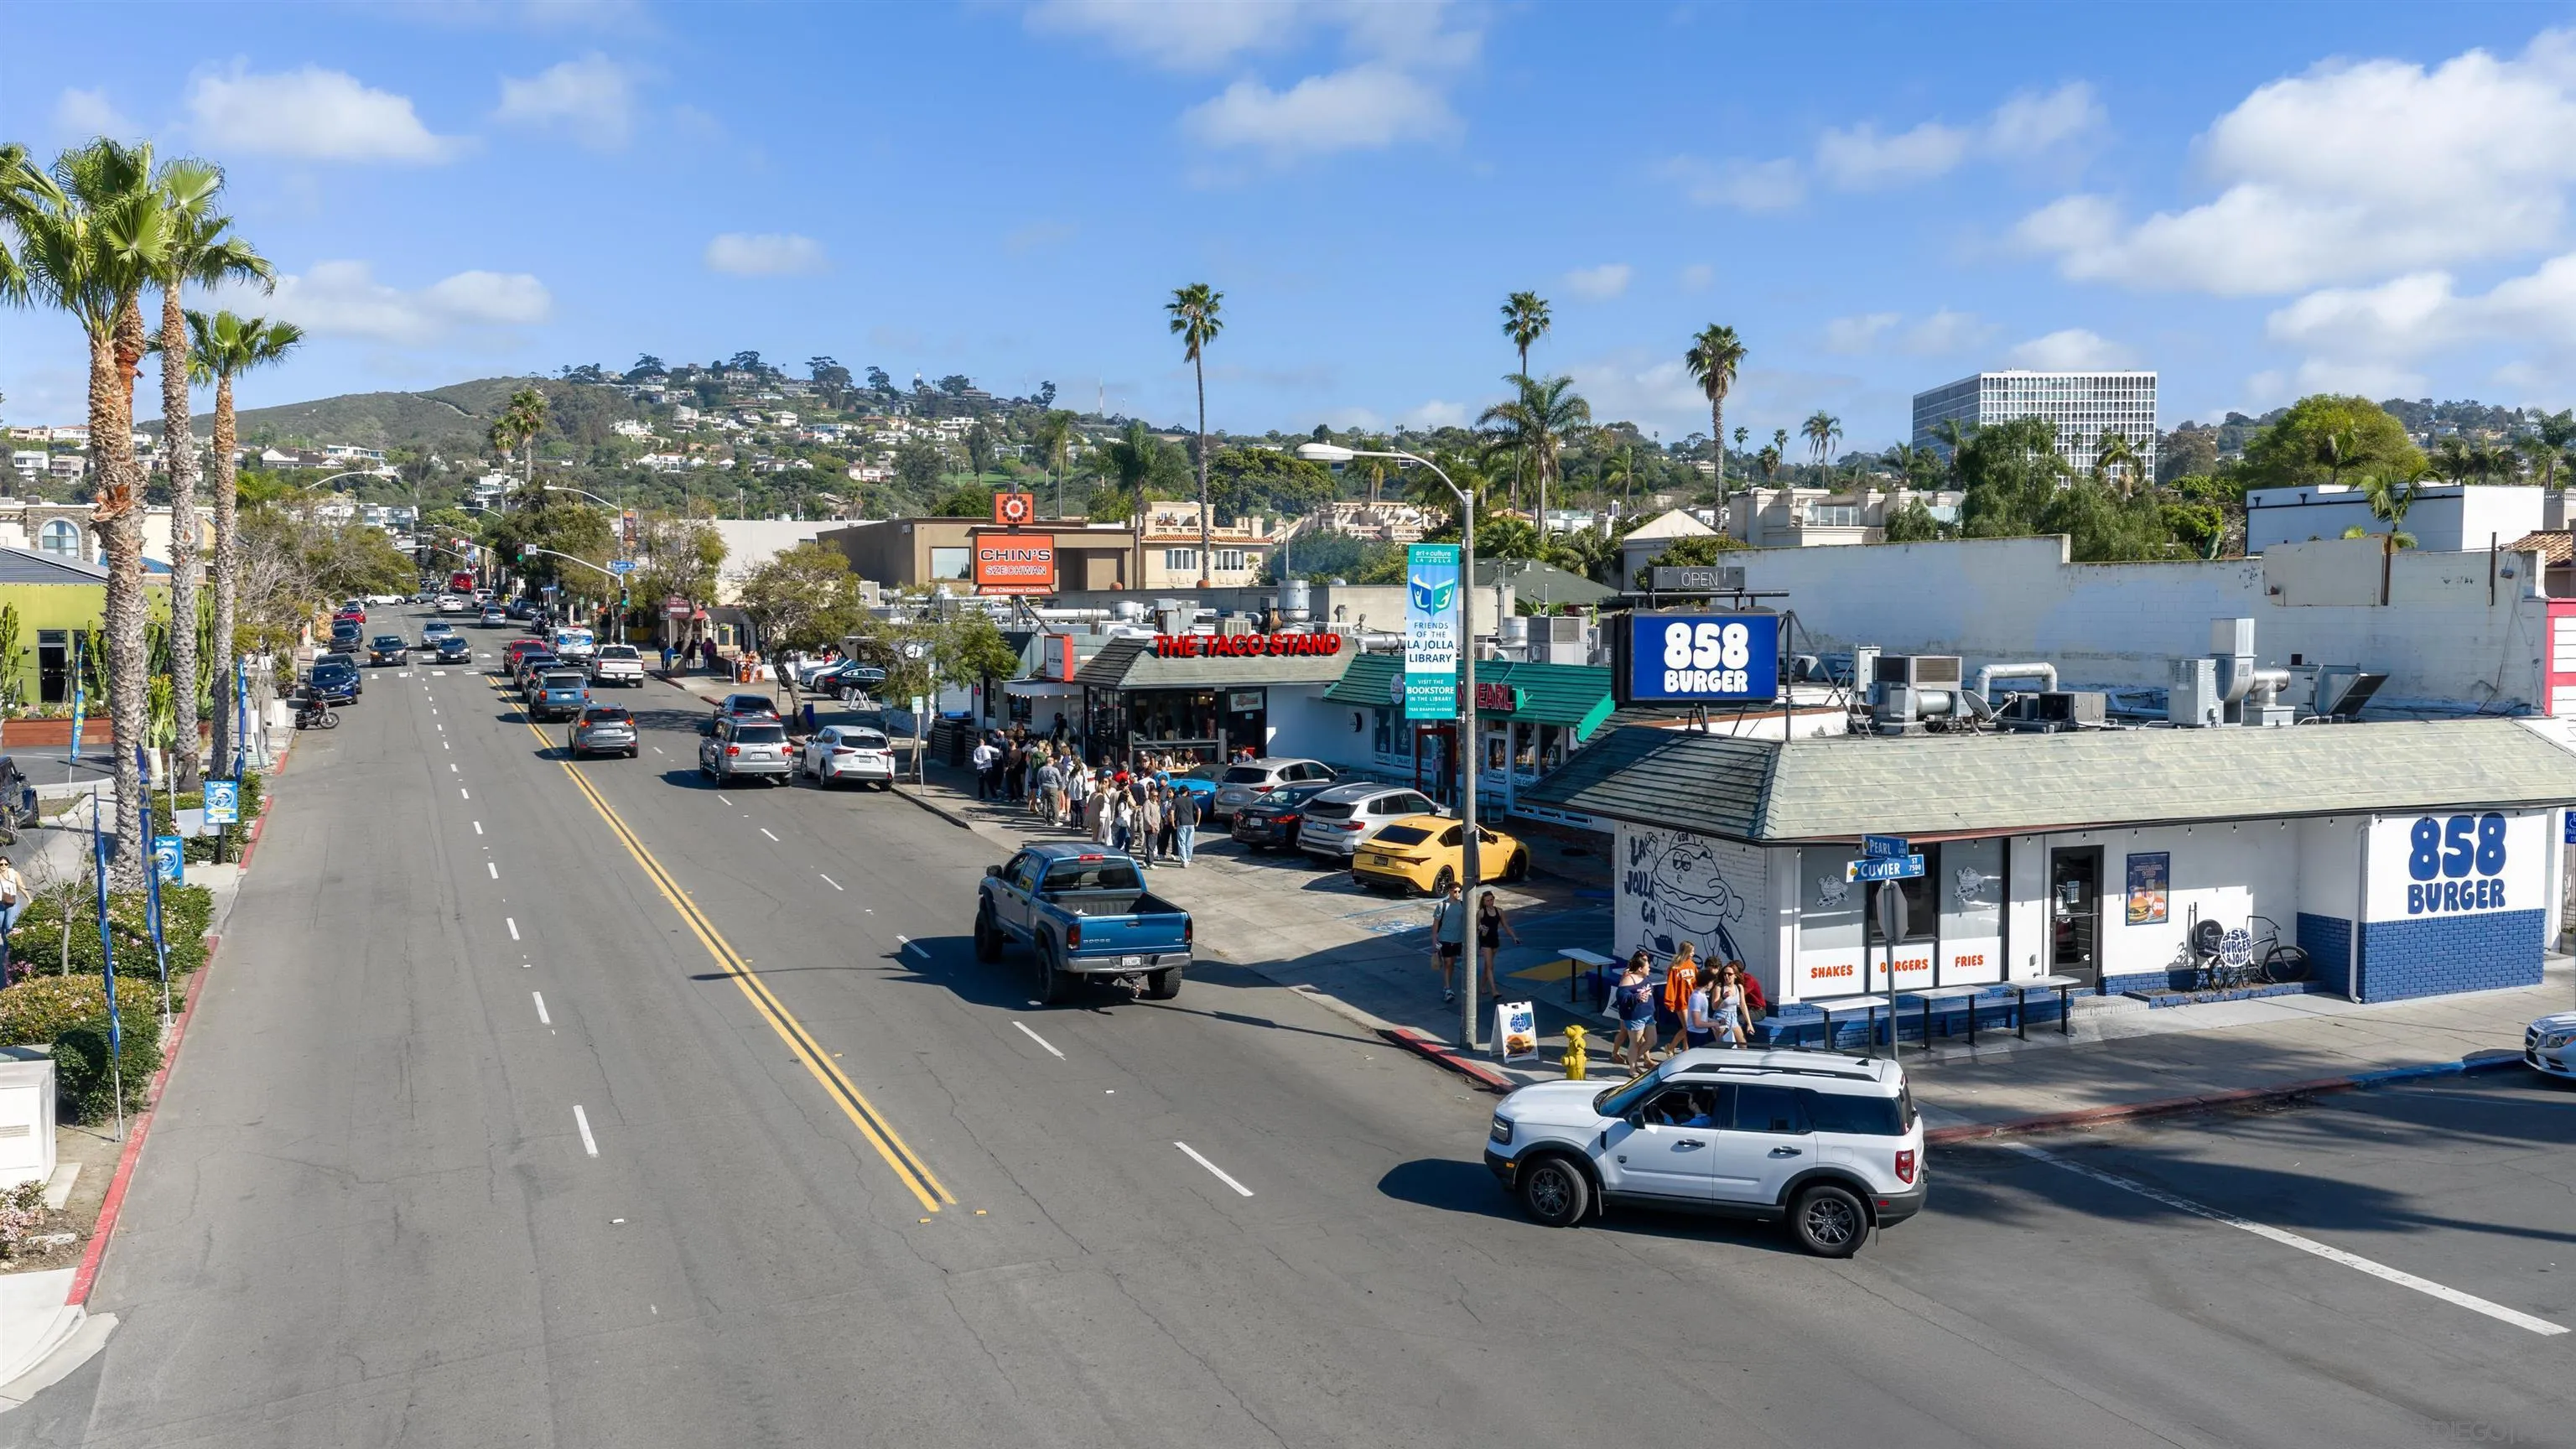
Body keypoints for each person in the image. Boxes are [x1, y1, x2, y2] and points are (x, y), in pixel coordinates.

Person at [1609, 950, 1656, 1072]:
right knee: (1629, 1038)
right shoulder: (1628, 976)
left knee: (1650, 1040)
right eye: (1647, 963)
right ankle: (1630, 1064)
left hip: (1647, 1013)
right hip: (1634, 1014)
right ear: (1639, 967)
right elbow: (1622, 995)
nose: (1649, 966)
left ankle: (1638, 1059)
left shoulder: (1644, 975)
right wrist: (1637, 998)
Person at [1656, 943, 1700, 1062]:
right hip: (1681, 1001)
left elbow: (1697, 982)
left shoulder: (1692, 965)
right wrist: (1670, 1002)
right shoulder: (1675, 968)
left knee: (1688, 1028)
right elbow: (1671, 986)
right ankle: (1670, 1047)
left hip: (1692, 1000)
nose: (1693, 954)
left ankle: (1686, 1050)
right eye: (1691, 951)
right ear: (1686, 952)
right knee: (1688, 1027)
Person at [1474, 888, 1519, 1001]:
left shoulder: (1499, 911)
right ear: (1483, 902)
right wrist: (1480, 928)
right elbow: (1474, 927)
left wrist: (1514, 937)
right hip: (1485, 941)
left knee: (1487, 966)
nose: (1490, 902)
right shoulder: (1481, 913)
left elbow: (1505, 925)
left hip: (1495, 940)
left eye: (1491, 900)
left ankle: (1483, 986)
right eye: (1487, 901)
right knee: (1490, 966)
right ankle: (1494, 990)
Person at [1430, 880, 1467, 1005]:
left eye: (1459, 891)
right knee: (1447, 962)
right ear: (1450, 891)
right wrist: (1435, 941)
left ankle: (1448, 985)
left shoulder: (1462, 905)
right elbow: (1435, 925)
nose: (1457, 893)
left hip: (1457, 939)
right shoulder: (1442, 906)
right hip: (1445, 938)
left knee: (1452, 963)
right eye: (1455, 891)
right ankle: (1447, 988)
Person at [1709, 960, 1754, 1047]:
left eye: (1729, 974)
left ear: (1735, 976)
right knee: (1724, 1047)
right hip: (1721, 1018)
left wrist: (1749, 1024)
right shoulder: (1719, 987)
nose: (1727, 976)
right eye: (1725, 974)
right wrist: (1723, 997)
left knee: (1743, 1045)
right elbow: (1714, 1007)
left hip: (1733, 1018)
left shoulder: (1739, 987)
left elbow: (1743, 1005)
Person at [0, 854, 22, 984]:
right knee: (1, 927)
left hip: (12, 903)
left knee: (9, 926)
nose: (3, 867)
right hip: (0, 904)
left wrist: (28, 897)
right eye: (1, 864)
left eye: (5, 864)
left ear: (9, 865)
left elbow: (21, 885)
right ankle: (5, 943)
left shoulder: (14, 874)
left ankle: (8, 950)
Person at [1171, 784, 1199, 867]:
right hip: (1191, 823)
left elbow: (1172, 812)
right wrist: (1197, 822)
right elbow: (1199, 810)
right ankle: (1188, 858)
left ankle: (1184, 861)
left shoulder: (1176, 800)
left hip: (1181, 823)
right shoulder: (1191, 800)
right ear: (1187, 792)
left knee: (1181, 842)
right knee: (1189, 842)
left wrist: (1173, 823)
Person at [969, 735, 1000, 801]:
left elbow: (975, 760)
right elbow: (997, 750)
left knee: (981, 784)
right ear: (982, 742)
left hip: (980, 768)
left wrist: (981, 762)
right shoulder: (986, 747)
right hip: (988, 767)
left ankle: (981, 797)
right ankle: (994, 796)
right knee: (990, 783)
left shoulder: (976, 750)